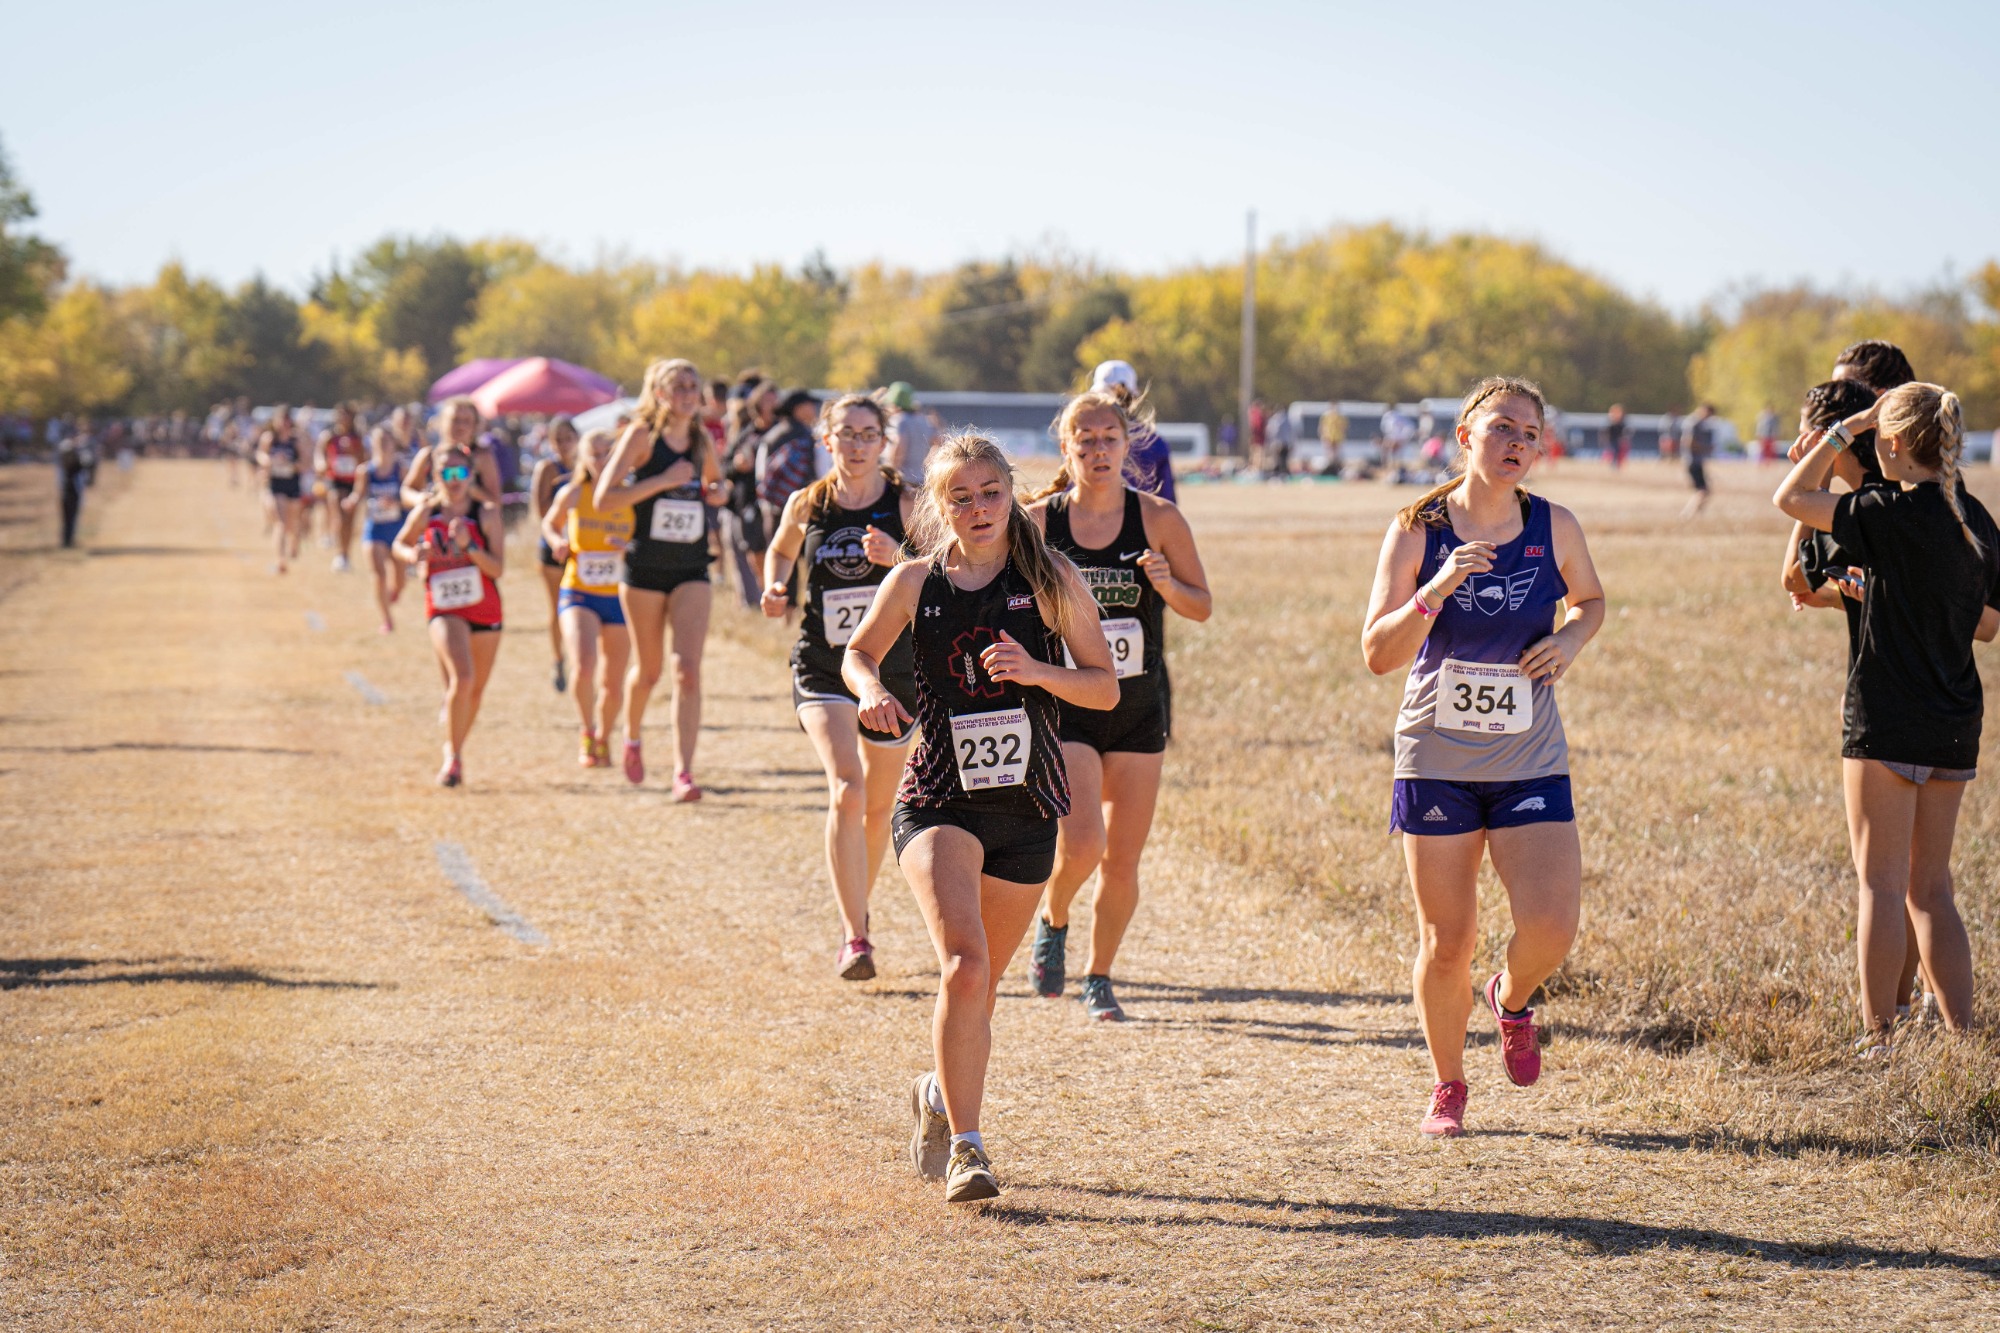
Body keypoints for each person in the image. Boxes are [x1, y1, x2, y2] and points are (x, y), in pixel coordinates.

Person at [843, 431, 1117, 1204]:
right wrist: (871, 690)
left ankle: (937, 1092)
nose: (978, 508)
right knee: (963, 966)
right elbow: (857, 654)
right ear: (939, 506)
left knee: (982, 987)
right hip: (937, 798)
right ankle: (969, 1148)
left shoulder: (1050, 576)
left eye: (990, 492)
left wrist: (1038, 671)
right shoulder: (913, 580)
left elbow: (1104, 687)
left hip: (1027, 806)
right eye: (959, 497)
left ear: (1009, 492)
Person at [1359, 376, 1606, 1137]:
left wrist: (1569, 638)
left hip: (1529, 753)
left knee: (1552, 925)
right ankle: (1448, 1085)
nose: (1517, 443)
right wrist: (1436, 589)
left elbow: (1591, 601)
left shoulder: (1554, 525)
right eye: (1502, 427)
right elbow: (1378, 653)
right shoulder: (1416, 528)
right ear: (1466, 435)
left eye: (1530, 433)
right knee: (1448, 941)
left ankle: (1511, 998)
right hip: (1436, 757)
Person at [1773, 383, 1996, 1052]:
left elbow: (1791, 499)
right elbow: (1990, 627)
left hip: (1885, 719)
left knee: (1880, 884)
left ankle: (1880, 1036)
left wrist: (1845, 429)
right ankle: (1962, 1034)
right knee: (1932, 890)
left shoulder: (1885, 511)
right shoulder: (1975, 519)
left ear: (1891, 444)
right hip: (1955, 722)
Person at [1024, 392, 1212, 1020]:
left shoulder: (1157, 519)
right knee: (1083, 844)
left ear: (1129, 445)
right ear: (1065, 447)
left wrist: (1166, 583)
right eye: (1086, 440)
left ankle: (1099, 977)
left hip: (1138, 707)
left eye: (1110, 438)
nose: (1098, 451)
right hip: (1070, 706)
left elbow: (1201, 605)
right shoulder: (1039, 523)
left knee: (1123, 859)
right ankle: (1054, 917)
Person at [762, 393, 919, 980]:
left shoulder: (906, 501)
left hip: (892, 673)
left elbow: (944, 572)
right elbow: (780, 551)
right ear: (826, 440)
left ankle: (858, 904)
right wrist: (775, 586)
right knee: (847, 788)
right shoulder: (809, 502)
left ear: (883, 441)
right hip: (824, 666)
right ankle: (855, 936)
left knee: (878, 807)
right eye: (845, 434)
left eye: (867, 434)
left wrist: (898, 555)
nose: (856, 445)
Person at [596, 358, 727, 801]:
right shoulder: (641, 437)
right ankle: (632, 736)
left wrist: (718, 492)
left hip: (692, 567)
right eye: (679, 386)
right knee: (649, 671)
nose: (688, 393)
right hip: (645, 570)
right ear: (660, 394)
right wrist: (662, 481)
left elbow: (716, 485)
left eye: (693, 385)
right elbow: (604, 498)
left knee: (686, 671)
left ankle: (683, 772)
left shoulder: (701, 439)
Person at [392, 428, 504, 788]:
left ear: (471, 474)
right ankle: (453, 759)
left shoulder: (486, 513)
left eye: (460, 472)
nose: (453, 480)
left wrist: (469, 546)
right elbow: (399, 544)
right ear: (434, 475)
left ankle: (455, 746)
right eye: (445, 473)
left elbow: (497, 569)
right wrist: (413, 554)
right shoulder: (427, 512)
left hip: (485, 608)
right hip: (443, 606)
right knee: (463, 679)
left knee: (475, 692)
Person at [542, 428, 633, 768]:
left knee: (612, 683)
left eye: (608, 452)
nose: (602, 460)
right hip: (578, 589)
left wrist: (630, 548)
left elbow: (651, 542)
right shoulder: (574, 492)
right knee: (583, 667)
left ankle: (604, 737)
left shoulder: (632, 495)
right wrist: (557, 541)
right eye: (594, 454)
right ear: (583, 458)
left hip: (621, 597)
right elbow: (549, 523)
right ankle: (586, 729)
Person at [531, 416, 580, 694]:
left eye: (568, 438)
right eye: (558, 440)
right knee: (559, 607)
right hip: (554, 546)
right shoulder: (548, 469)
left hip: (584, 547)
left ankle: (579, 658)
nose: (564, 445)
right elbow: (541, 511)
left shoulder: (586, 467)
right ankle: (558, 659)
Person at [1090, 361, 1177, 501]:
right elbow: (1167, 503)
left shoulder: (1080, 438)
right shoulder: (1155, 442)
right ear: (1134, 398)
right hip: (1143, 514)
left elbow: (1069, 497)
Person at [355, 425, 409, 633]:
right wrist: (351, 502)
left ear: (394, 444)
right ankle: (387, 620)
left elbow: (409, 497)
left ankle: (394, 593)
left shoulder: (400, 469)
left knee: (400, 580)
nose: (383, 445)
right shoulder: (365, 471)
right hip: (375, 528)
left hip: (397, 529)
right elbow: (358, 494)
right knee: (379, 575)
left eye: (387, 441)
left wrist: (395, 502)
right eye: (379, 441)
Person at [756, 389, 821, 540]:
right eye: (810, 405)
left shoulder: (775, 433)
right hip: (799, 506)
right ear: (799, 408)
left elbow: (760, 474)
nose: (814, 409)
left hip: (774, 507)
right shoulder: (802, 435)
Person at [255, 406, 306, 574]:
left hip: (292, 484)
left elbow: (305, 462)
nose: (283, 424)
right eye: (280, 420)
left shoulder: (296, 440)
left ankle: (294, 542)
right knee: (280, 523)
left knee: (293, 523)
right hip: (275, 484)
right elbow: (260, 455)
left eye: (286, 420)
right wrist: (269, 461)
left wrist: (291, 465)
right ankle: (280, 560)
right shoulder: (269, 438)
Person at [318, 403, 368, 572]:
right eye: (341, 415)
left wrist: (353, 451)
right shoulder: (329, 436)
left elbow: (363, 461)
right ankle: (339, 554)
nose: (343, 418)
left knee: (349, 520)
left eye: (347, 415)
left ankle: (346, 555)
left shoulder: (357, 437)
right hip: (335, 480)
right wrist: (321, 464)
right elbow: (319, 453)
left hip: (353, 481)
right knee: (338, 517)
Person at [881, 381, 936, 488]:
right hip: (921, 479)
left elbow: (900, 444)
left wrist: (891, 473)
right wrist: (929, 462)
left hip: (902, 481)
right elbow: (939, 441)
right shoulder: (923, 420)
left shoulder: (899, 420)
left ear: (894, 403)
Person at [1681, 404, 1716, 519]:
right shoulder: (1694, 423)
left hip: (1694, 461)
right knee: (1702, 490)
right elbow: (1689, 442)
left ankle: (1694, 514)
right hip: (1693, 461)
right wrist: (1706, 448)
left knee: (1702, 490)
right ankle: (1689, 514)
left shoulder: (1694, 422)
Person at [56, 424, 89, 547]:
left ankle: (69, 540)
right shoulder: (68, 452)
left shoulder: (72, 452)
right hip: (69, 489)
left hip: (71, 488)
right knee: (69, 516)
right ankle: (67, 541)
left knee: (71, 517)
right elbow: (74, 465)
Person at [1603, 405, 1628, 469]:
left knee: (1618, 452)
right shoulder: (1610, 422)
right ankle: (1613, 463)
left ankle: (1616, 464)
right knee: (1613, 451)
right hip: (1612, 439)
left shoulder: (1622, 423)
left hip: (1619, 440)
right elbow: (1606, 431)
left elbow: (1624, 432)